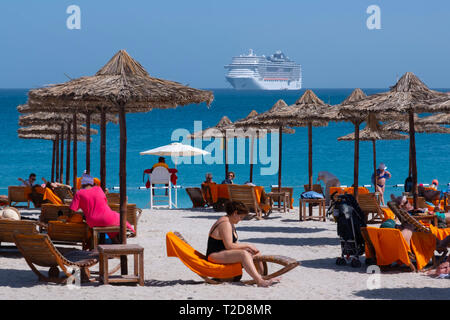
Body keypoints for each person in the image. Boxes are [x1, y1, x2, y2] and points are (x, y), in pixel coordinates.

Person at [206, 201, 280, 287]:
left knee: (255, 252)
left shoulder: (230, 222)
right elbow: (229, 246)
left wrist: (248, 248)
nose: (240, 220)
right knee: (244, 254)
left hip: (223, 253)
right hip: (214, 255)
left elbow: (233, 244)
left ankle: (261, 276)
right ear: (235, 213)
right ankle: (259, 281)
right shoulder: (225, 223)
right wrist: (247, 245)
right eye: (240, 217)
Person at [69, 174, 135, 241]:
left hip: (92, 221)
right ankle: (131, 230)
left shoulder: (79, 193)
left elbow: (73, 209)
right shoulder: (98, 189)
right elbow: (105, 201)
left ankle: (114, 240)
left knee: (110, 223)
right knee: (119, 217)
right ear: (92, 183)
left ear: (82, 184)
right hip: (107, 218)